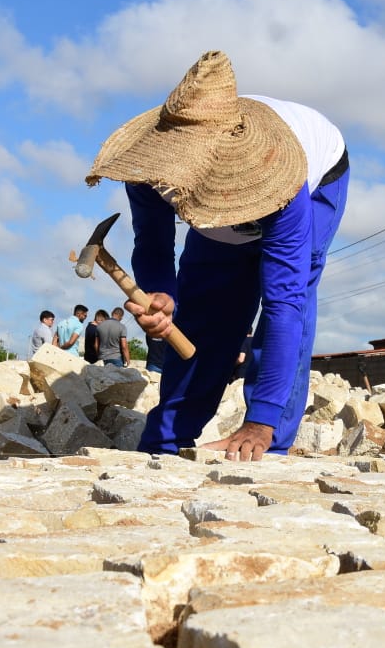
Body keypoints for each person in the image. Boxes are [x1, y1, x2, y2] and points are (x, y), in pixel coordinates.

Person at [86, 50, 349, 460]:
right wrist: (160, 294)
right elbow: (153, 244)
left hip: (316, 183)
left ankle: (267, 440)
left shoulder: (281, 180)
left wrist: (261, 420)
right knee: (203, 316)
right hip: (232, 209)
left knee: (289, 300)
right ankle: (167, 442)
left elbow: (286, 304)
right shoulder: (148, 169)